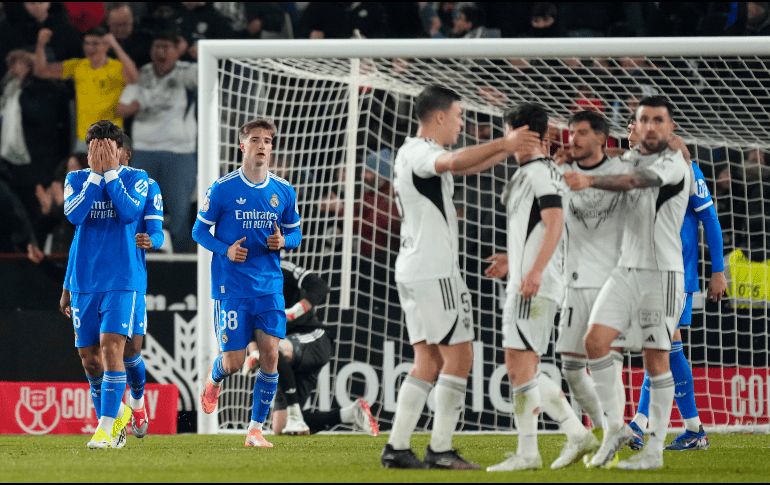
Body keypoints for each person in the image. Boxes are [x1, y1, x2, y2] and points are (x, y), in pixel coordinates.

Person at [381, 84, 540, 470]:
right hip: (434, 271)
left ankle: (398, 446)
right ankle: (440, 449)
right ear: (438, 117)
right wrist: (506, 143)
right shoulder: (423, 152)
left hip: (413, 268)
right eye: (459, 115)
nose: (462, 122)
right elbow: (453, 162)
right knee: (460, 356)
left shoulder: (408, 151)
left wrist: (505, 149)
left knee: (428, 361)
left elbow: (464, 164)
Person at [562, 96, 694, 469]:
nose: (651, 126)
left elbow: (636, 180)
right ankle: (616, 428)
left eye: (658, 120)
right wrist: (571, 156)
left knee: (656, 360)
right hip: (625, 271)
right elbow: (617, 161)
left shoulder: (674, 163)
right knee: (595, 342)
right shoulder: (631, 156)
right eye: (644, 120)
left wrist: (588, 179)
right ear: (633, 125)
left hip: (661, 274)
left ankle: (653, 451)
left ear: (671, 128)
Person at [485, 104, 597, 472]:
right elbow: (536, 229)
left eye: (509, 132)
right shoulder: (531, 172)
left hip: (535, 286)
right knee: (524, 369)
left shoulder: (540, 173)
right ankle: (572, 435)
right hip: (528, 280)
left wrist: (533, 272)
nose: (506, 140)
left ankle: (532, 451)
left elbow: (554, 223)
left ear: (526, 133)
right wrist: (512, 260)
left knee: (520, 369)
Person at [193, 119, 302, 448]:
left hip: (269, 286)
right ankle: (214, 378)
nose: (262, 145)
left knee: (270, 355)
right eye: (255, 139)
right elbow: (198, 231)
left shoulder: (283, 191)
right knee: (235, 363)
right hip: (231, 288)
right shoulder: (223, 188)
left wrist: (283, 241)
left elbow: (295, 234)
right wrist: (225, 249)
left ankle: (255, 429)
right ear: (242, 146)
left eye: (267, 140)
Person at [626, 118, 727, 452]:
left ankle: (640, 425)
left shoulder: (686, 170)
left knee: (661, 347)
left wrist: (718, 271)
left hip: (676, 274)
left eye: (634, 130)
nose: (629, 136)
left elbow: (710, 219)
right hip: (647, 273)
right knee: (665, 348)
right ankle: (692, 429)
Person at [59, 133, 164, 439]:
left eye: (108, 147)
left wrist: (151, 241)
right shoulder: (77, 179)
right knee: (91, 362)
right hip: (84, 281)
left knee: (126, 352)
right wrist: (95, 175)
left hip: (125, 280)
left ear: (123, 151)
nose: (101, 152)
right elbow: (76, 221)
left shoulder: (142, 181)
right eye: (94, 147)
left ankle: (129, 408)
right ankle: (119, 416)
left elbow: (136, 217)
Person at [241, 259, 379, 437]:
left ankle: (295, 415)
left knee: (275, 350)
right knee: (280, 428)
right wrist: (253, 353)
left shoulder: (279, 268)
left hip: (313, 339)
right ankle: (351, 413)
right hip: (286, 359)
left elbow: (319, 286)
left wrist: (294, 312)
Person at [117, 31, 196, 253]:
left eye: (166, 47)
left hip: (179, 152)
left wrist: (195, 54)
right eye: (157, 46)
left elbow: (213, 78)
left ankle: (179, 260)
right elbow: (123, 108)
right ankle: (139, 257)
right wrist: (140, 101)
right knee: (138, 208)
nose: (160, 52)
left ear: (176, 51)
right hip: (143, 151)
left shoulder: (187, 72)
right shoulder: (141, 73)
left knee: (180, 210)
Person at [33, 25, 139, 152]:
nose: (90, 48)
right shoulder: (78, 66)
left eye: (95, 43)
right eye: (87, 43)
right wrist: (40, 44)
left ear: (106, 46)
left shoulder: (117, 68)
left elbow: (135, 79)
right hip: (84, 140)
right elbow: (41, 71)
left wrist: (115, 45)